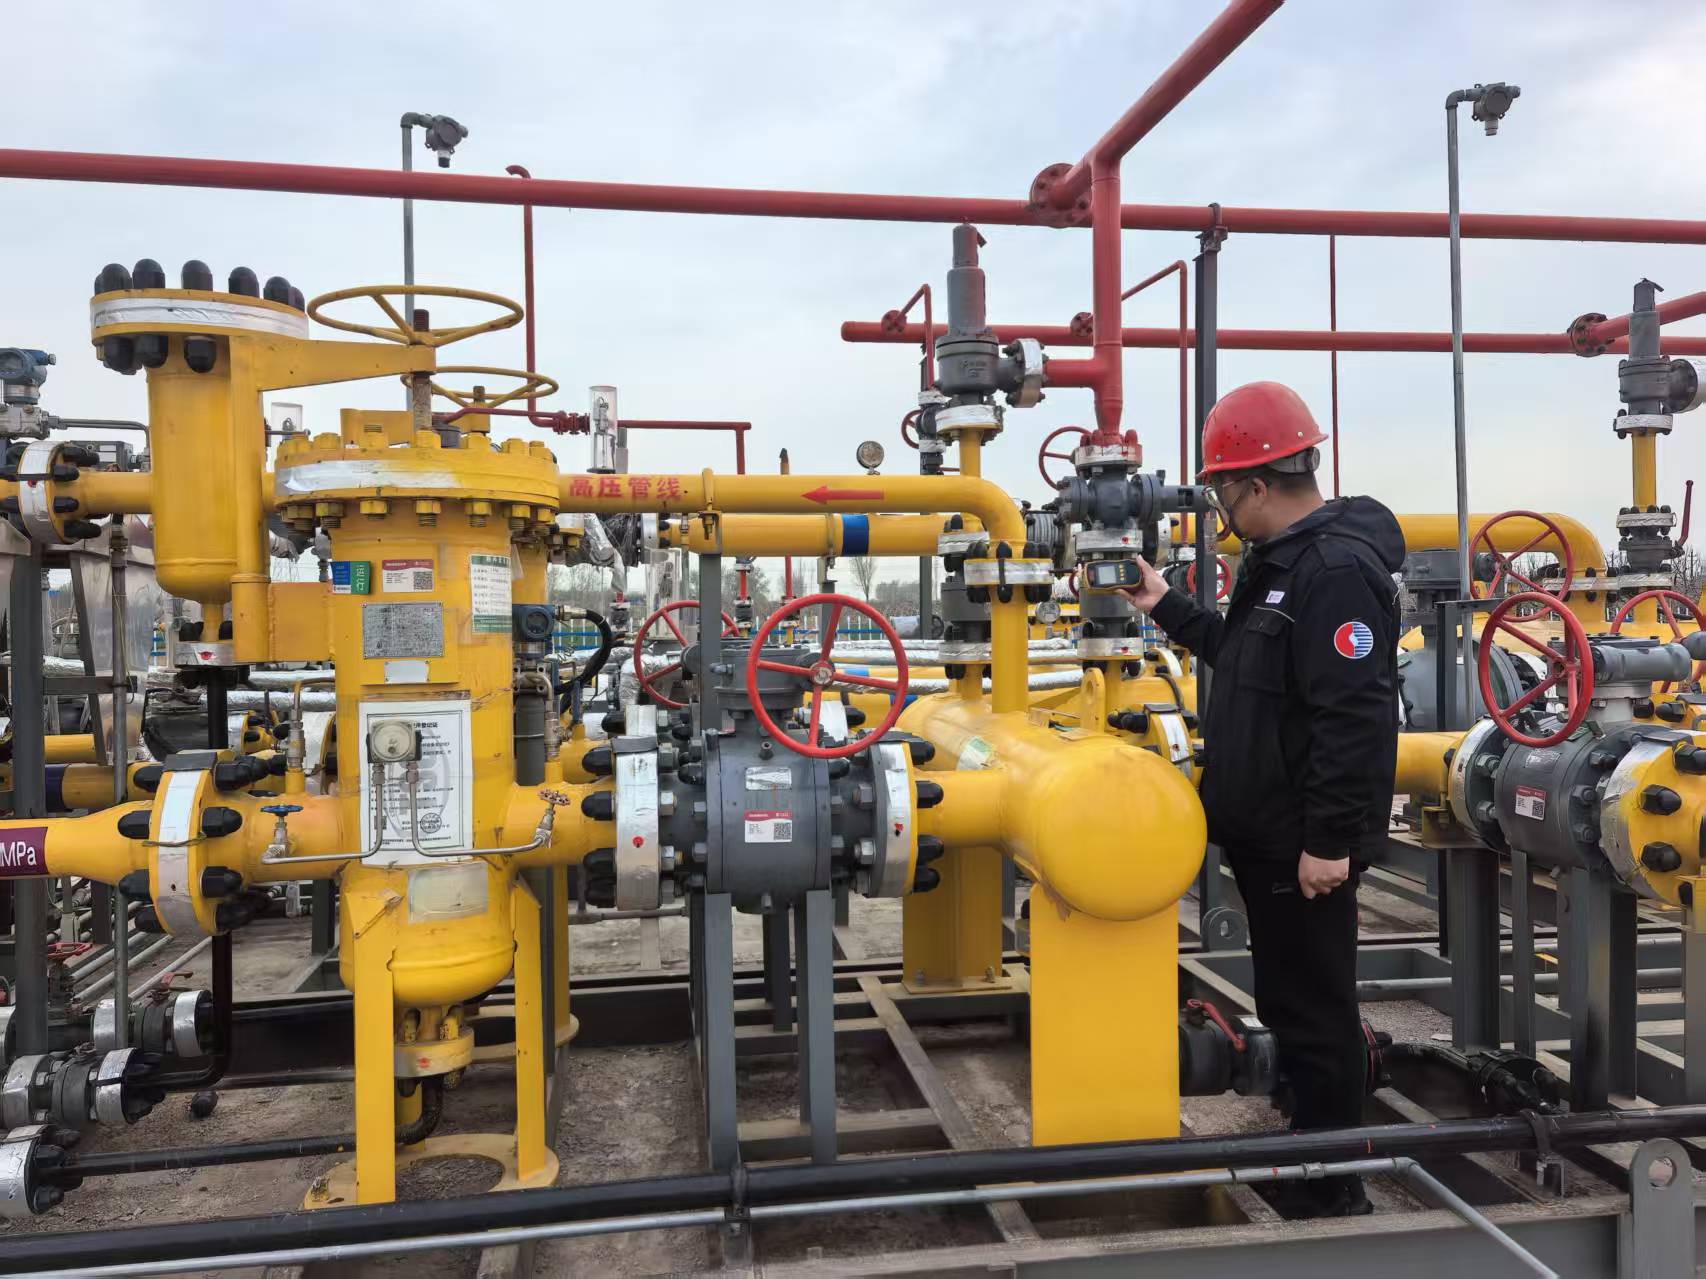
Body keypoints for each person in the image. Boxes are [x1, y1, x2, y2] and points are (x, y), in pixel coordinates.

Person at [1122, 380, 1403, 1218]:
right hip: (1269, 836)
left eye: (1220, 492)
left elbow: (1353, 716)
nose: (1218, 509)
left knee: (1317, 1010)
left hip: (1301, 843)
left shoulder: (1335, 572)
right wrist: (1165, 606)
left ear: (1253, 485)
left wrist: (1330, 840)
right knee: (1288, 999)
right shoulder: (1281, 564)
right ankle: (1311, 1143)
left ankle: (1333, 1187)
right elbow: (1245, 657)